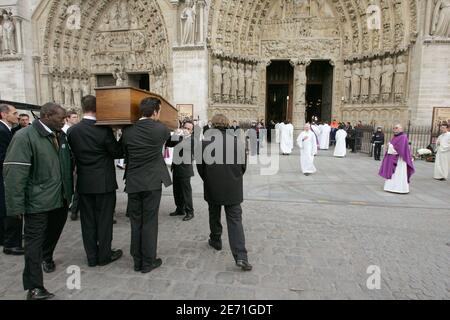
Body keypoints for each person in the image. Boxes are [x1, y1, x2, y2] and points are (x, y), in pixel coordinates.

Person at [3, 102, 73, 300]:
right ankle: (34, 288)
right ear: (47, 116)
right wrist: (15, 207)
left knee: (54, 233)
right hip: (36, 203)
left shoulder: (61, 135)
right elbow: (14, 174)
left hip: (59, 198)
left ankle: (47, 256)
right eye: (61, 118)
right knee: (33, 244)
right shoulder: (24, 137)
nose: (64, 121)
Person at [67, 96, 124, 267]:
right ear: (98, 108)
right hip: (104, 183)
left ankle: (91, 256)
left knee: (88, 221)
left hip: (84, 182)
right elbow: (116, 152)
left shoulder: (72, 131)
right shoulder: (103, 130)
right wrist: (123, 135)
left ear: (82, 108)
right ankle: (104, 255)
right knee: (104, 220)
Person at [122, 97, 172, 273]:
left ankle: (137, 260)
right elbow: (168, 140)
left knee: (136, 222)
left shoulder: (128, 130)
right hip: (151, 182)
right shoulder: (161, 129)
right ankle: (148, 261)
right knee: (150, 222)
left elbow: (123, 150)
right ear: (156, 111)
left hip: (133, 181)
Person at [197, 114, 252, 271]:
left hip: (212, 185)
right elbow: (243, 167)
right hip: (233, 187)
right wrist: (234, 178)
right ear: (227, 125)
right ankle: (241, 256)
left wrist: (208, 179)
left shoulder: (204, 144)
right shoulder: (238, 143)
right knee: (235, 220)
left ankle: (216, 240)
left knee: (214, 213)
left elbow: (201, 168)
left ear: (212, 125)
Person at [0, 104, 23, 254]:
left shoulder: (6, 130)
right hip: (7, 178)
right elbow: (4, 158)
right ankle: (11, 244)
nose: (18, 116)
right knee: (10, 209)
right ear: (3, 114)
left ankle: (6, 238)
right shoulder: (2, 131)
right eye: (14, 113)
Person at [167, 121, 195, 221]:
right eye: (185, 127)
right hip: (176, 167)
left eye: (188, 129)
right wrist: (174, 134)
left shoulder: (192, 140)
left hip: (185, 169)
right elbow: (169, 144)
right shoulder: (178, 136)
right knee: (177, 190)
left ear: (191, 131)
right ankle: (179, 209)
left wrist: (183, 137)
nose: (186, 130)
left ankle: (190, 212)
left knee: (186, 192)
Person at [379, 124, 415, 194]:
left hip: (400, 160)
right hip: (393, 158)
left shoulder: (403, 137)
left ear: (401, 129)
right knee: (393, 174)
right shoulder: (395, 137)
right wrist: (390, 145)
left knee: (398, 174)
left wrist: (391, 146)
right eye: (394, 128)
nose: (395, 129)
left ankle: (399, 188)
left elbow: (400, 148)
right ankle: (390, 187)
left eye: (396, 128)